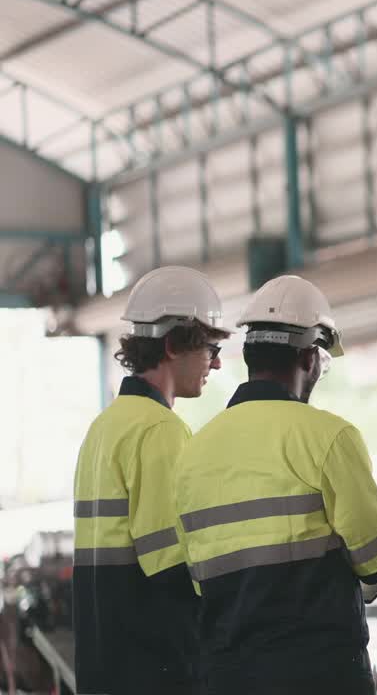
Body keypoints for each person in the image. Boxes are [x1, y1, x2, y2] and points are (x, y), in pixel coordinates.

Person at [172, 275, 377, 695]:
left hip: (228, 677)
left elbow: (199, 578)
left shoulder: (193, 454)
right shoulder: (328, 437)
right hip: (321, 674)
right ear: (311, 358)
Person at [72, 265, 230, 695]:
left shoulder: (105, 427)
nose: (215, 362)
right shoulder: (159, 430)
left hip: (105, 665)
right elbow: (174, 568)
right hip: (154, 669)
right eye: (210, 347)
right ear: (174, 344)